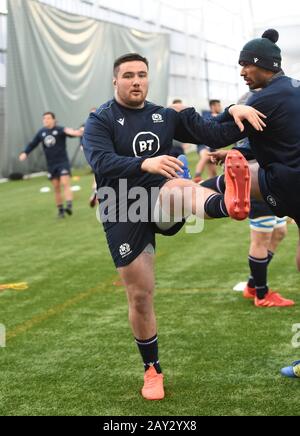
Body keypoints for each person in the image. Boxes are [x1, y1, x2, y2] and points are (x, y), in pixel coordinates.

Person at [82, 53, 265, 401]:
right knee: (140, 294)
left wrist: (234, 111)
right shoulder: (100, 120)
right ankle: (152, 370)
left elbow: (212, 131)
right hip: (121, 206)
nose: (136, 81)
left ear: (148, 79)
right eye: (129, 76)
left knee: (177, 188)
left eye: (142, 75)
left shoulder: (163, 116)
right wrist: (145, 163)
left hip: (159, 194)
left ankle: (226, 203)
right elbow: (101, 161)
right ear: (115, 81)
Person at [19, 112, 83, 218]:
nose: (46, 120)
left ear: (54, 120)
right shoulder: (41, 132)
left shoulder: (60, 129)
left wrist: (79, 132)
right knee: (56, 188)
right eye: (44, 118)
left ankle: (69, 206)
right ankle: (61, 211)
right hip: (51, 165)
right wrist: (25, 152)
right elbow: (33, 144)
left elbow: (73, 133)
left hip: (62, 162)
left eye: (48, 118)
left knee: (65, 183)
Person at [194, 100, 222, 183]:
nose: (220, 108)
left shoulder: (221, 116)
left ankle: (209, 186)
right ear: (213, 107)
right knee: (205, 156)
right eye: (218, 106)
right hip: (203, 143)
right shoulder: (206, 115)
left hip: (212, 146)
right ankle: (197, 177)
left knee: (213, 174)